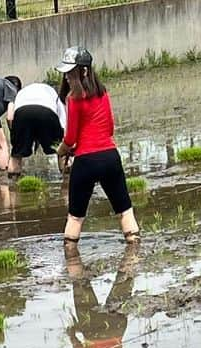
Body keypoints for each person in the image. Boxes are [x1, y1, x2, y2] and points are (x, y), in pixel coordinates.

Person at [55, 46, 139, 245]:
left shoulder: (73, 99)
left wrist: (61, 151)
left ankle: (73, 268)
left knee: (75, 217)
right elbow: (109, 127)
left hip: (85, 162)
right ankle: (134, 256)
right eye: (66, 73)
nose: (67, 77)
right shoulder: (103, 93)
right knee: (124, 210)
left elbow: (71, 138)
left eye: (70, 72)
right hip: (110, 157)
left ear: (83, 71)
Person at [7, 80, 68, 177]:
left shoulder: (21, 92)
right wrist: (64, 143)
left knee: (16, 154)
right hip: (47, 112)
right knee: (61, 151)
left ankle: (12, 183)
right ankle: (67, 181)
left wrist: (16, 137)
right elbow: (63, 122)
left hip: (22, 113)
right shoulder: (52, 92)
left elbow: (9, 117)